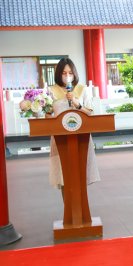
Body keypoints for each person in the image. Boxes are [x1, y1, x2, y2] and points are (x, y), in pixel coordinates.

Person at [47, 58, 100, 195]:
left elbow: (90, 112)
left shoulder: (82, 89)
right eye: (64, 73)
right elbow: (47, 115)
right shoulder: (51, 91)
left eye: (70, 72)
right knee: (64, 175)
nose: (67, 76)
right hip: (60, 139)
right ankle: (68, 212)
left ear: (75, 73)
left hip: (81, 138)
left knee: (80, 173)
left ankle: (82, 212)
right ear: (58, 74)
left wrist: (77, 104)